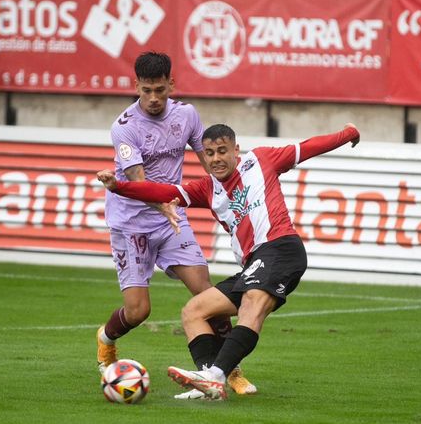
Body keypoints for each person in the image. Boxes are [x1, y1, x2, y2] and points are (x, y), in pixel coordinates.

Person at [98, 122, 361, 400]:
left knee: (251, 305)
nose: (216, 159)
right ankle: (208, 380)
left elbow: (307, 148)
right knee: (194, 311)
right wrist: (119, 188)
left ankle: (218, 375)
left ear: (236, 150)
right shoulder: (207, 188)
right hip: (254, 263)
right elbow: (163, 192)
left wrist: (347, 134)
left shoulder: (261, 160)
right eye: (209, 153)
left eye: (222, 151)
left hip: (280, 248)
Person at [96, 51, 256, 398]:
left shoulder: (187, 115)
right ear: (135, 85)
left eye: (160, 90)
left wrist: (230, 199)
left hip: (171, 219)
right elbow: (138, 182)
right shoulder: (124, 128)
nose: (153, 98)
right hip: (131, 224)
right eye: (146, 90)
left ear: (172, 84)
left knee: (207, 294)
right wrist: (166, 206)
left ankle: (225, 370)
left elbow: (210, 161)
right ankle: (106, 340)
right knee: (139, 311)